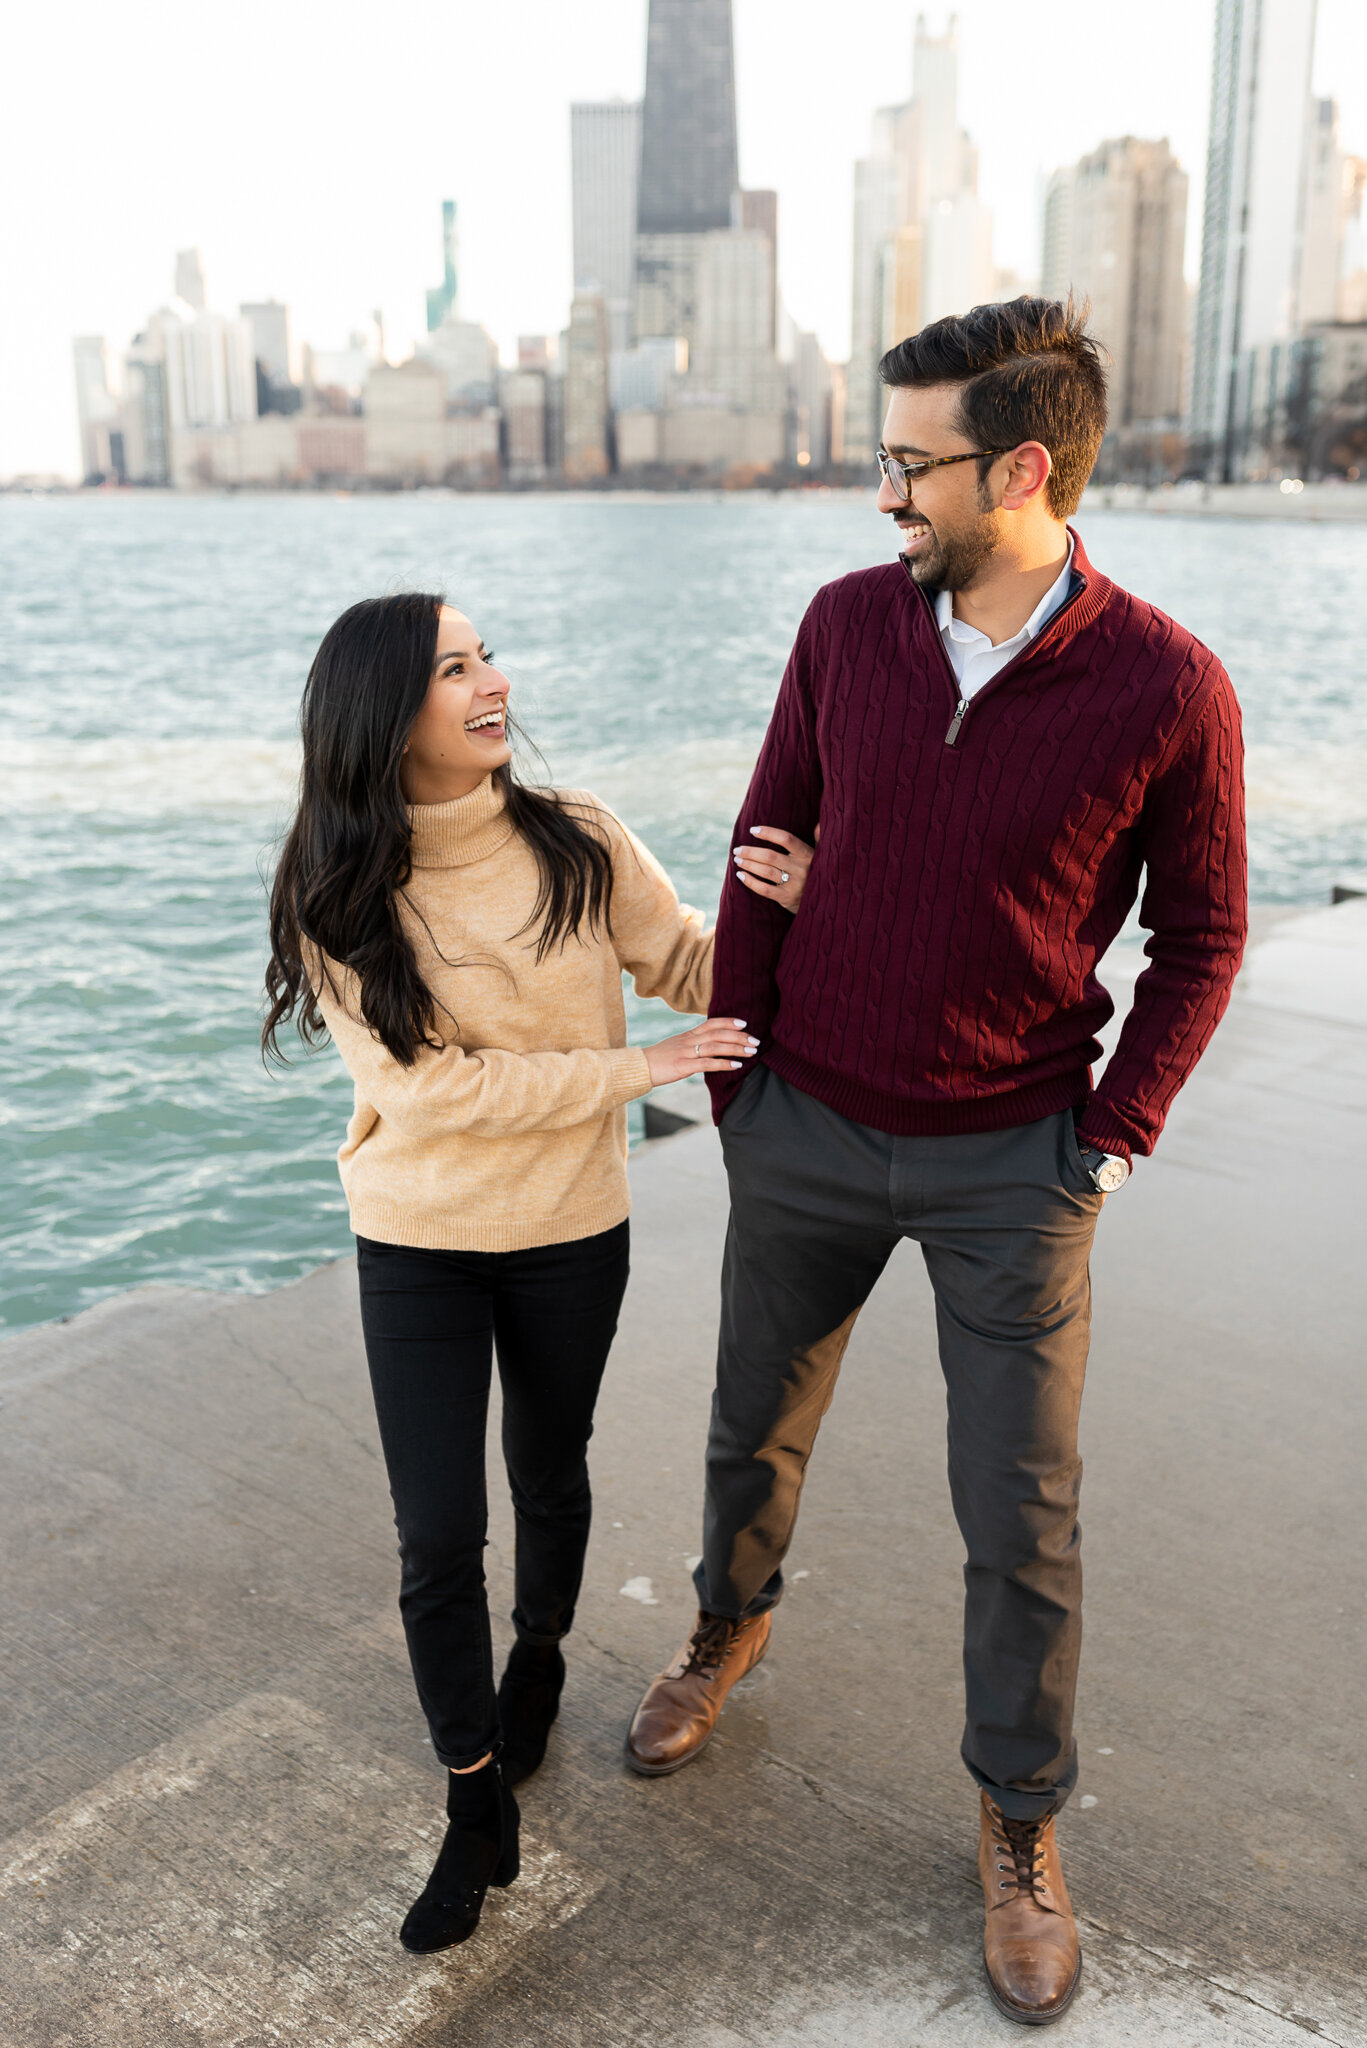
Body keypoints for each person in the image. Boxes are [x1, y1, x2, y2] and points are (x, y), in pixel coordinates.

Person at [624, 299, 1248, 2026]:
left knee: (1021, 1518)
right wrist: (745, 1088)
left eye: (910, 464)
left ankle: (1021, 1824)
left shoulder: (1170, 686)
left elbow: (1201, 941)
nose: (881, 495)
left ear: (1023, 467)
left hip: (1013, 1162)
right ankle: (721, 1634)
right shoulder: (844, 629)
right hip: (808, 1124)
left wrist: (1109, 1143)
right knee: (753, 1427)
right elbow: (768, 854)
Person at [263, 593, 812, 1955]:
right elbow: (426, 1093)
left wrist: (797, 909)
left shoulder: (576, 838)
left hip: (572, 1226)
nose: (493, 681)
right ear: (386, 716)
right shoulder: (336, 884)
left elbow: (688, 961)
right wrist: (635, 1072)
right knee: (436, 1537)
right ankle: (471, 1808)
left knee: (549, 1471)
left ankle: (544, 1660)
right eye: (454, 668)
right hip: (420, 1243)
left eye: (487, 654)